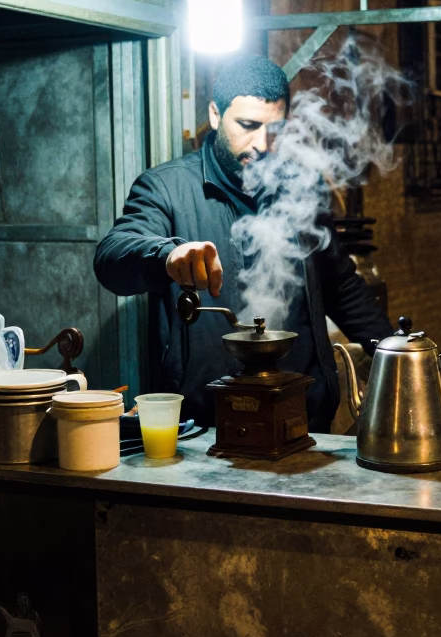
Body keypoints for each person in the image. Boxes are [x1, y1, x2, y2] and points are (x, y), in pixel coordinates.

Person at [93, 55, 390, 432]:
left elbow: (340, 284)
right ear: (216, 115)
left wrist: (398, 350)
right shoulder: (166, 187)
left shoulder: (302, 187)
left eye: (275, 129)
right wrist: (167, 255)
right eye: (247, 126)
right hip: (204, 425)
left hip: (304, 417)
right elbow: (112, 256)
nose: (262, 145)